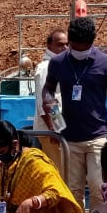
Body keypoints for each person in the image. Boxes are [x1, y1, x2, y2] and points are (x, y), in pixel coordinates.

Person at [42, 16, 107, 212]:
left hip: (98, 136)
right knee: (72, 190)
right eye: (76, 46)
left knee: (98, 187)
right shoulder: (58, 63)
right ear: (70, 42)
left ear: (93, 42)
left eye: (85, 47)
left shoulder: (105, 62)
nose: (80, 51)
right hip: (69, 138)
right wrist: (56, 120)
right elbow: (48, 90)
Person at [33, 28, 69, 170]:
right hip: (52, 131)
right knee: (60, 170)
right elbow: (46, 101)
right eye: (60, 45)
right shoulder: (46, 68)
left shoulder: (61, 65)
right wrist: (56, 128)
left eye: (67, 44)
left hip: (60, 128)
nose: (65, 48)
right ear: (49, 46)